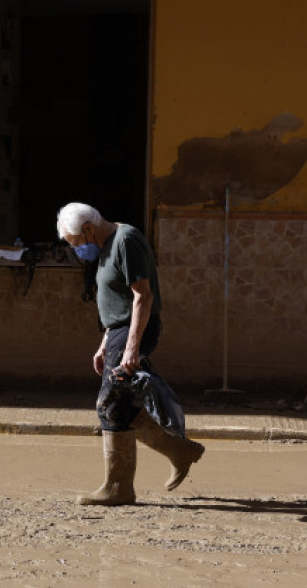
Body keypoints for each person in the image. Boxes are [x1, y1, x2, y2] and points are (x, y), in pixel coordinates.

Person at [56, 203, 205, 506]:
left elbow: (142, 296)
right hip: (119, 332)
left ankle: (118, 487)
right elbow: (116, 302)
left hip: (134, 331)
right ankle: (178, 451)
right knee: (118, 405)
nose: (78, 251)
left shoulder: (126, 240)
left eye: (76, 243)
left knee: (109, 403)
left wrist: (131, 348)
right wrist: (104, 344)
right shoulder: (106, 246)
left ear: (88, 229)